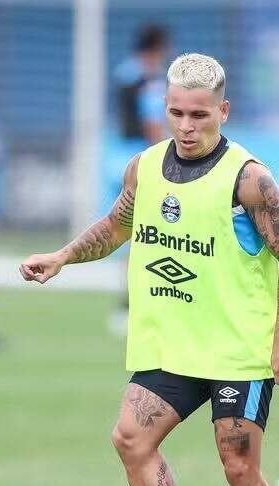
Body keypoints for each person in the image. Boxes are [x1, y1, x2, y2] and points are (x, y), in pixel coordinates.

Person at [20, 53, 279, 486]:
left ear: (223, 111)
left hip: (237, 352)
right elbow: (115, 226)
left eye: (199, 115)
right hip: (171, 345)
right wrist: (63, 256)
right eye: (176, 112)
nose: (186, 126)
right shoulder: (145, 167)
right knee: (131, 439)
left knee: (238, 468)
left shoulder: (249, 180)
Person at [108, 24, 171, 336]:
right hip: (143, 162)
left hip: (117, 158)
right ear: (157, 47)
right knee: (151, 236)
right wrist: (165, 159)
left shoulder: (123, 74)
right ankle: (133, 306)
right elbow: (152, 125)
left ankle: (128, 306)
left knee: (129, 234)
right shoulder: (150, 80)